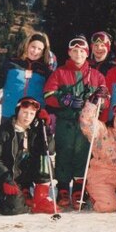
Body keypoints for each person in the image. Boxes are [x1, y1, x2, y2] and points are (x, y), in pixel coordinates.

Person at [43, 35, 107, 209]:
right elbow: (48, 95)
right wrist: (64, 99)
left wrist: (99, 98)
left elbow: (105, 99)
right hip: (65, 122)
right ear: (69, 52)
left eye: (82, 51)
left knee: (83, 154)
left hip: (86, 125)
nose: (78, 54)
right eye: (75, 50)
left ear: (87, 54)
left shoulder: (96, 75)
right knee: (64, 153)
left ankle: (79, 189)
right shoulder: (60, 72)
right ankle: (63, 188)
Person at [0, 96, 56, 215]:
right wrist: (5, 179)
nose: (28, 116)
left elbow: (48, 150)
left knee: (45, 159)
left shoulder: (35, 131)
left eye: (32, 113)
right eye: (24, 112)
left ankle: (39, 198)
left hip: (23, 175)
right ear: (17, 111)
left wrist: (46, 128)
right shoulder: (0, 133)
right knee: (13, 208)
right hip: (4, 177)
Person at [0, 31, 54, 124]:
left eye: (39, 49)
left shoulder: (45, 69)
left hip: (33, 115)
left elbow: (50, 93)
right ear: (27, 45)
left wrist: (48, 112)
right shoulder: (12, 63)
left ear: (43, 52)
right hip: (10, 112)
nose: (35, 51)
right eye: (33, 47)